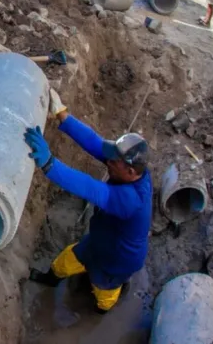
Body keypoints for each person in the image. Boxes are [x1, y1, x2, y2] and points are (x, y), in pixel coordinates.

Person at [24, 89, 152, 313]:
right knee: (64, 262)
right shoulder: (126, 168)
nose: (107, 162)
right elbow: (95, 142)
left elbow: (89, 187)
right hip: (99, 241)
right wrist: (62, 114)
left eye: (113, 161)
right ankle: (50, 279)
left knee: (104, 294)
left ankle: (104, 307)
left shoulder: (132, 200)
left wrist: (49, 163)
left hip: (116, 261)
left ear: (130, 171)